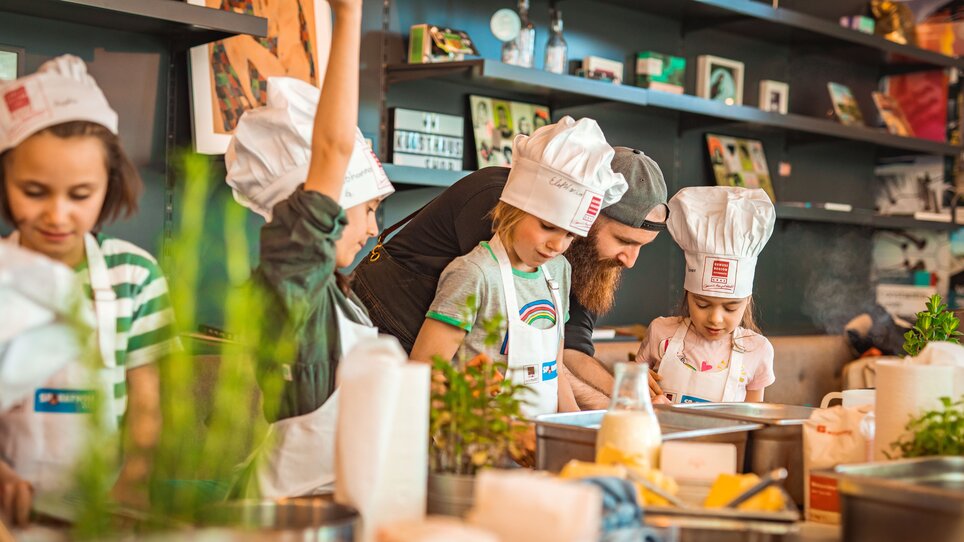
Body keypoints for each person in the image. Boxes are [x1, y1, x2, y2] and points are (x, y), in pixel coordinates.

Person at [224, 0, 395, 498]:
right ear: (327, 207)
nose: (372, 230)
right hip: (288, 516)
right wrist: (349, 17)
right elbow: (332, 150)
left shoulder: (340, 299)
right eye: (367, 210)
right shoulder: (292, 281)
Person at [0, 55, 176, 525]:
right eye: (34, 191)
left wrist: (132, 483)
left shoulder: (134, 275)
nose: (58, 215)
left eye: (80, 195)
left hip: (104, 511)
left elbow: (146, 403)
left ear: (109, 186)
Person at [353, 148, 668, 410]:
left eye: (569, 234)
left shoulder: (566, 260)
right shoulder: (499, 215)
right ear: (593, 214)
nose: (629, 260)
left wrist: (629, 398)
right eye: (624, 241)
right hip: (389, 333)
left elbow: (564, 350)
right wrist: (607, 408)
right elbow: (439, 366)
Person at [409, 115, 629, 417]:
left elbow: (555, 369)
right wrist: (510, 434)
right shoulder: (474, 274)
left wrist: (574, 424)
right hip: (478, 442)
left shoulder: (559, 271)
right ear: (514, 207)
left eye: (570, 234)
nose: (558, 245)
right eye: (548, 226)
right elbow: (425, 374)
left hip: (540, 437)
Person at [637, 186, 775, 404]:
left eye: (730, 308)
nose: (715, 318)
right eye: (702, 304)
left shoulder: (757, 350)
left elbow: (753, 421)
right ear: (688, 295)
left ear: (746, 301)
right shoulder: (660, 333)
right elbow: (630, 397)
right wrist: (638, 385)